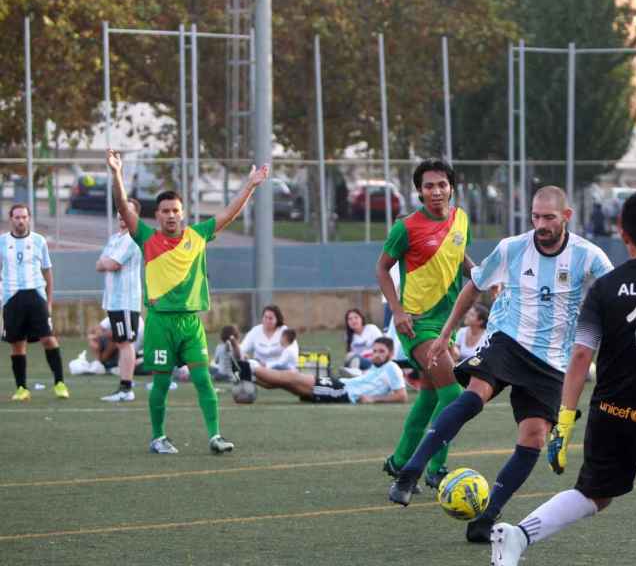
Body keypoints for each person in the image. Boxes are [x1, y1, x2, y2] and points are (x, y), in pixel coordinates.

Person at [489, 190, 636, 566]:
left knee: (594, 495)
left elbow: (581, 355)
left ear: (623, 234)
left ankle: (518, 536)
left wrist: (565, 420)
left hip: (610, 413)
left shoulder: (604, 289)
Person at [388, 185, 614, 544]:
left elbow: (614, 293)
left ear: (566, 217)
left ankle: (486, 518)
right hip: (508, 339)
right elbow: (473, 285)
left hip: (552, 360)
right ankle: (410, 472)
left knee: (534, 437)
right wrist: (447, 334)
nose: (540, 224)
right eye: (535, 217)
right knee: (474, 396)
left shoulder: (589, 256)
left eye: (549, 218)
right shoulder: (512, 248)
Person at [106, 149, 268, 454]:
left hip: (190, 323)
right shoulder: (146, 238)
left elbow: (228, 213)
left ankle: (215, 436)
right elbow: (124, 209)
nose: (170, 215)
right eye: (165, 211)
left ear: (183, 213)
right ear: (157, 216)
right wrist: (116, 173)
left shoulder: (198, 235)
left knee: (203, 379)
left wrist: (250, 185)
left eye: (175, 210)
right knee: (162, 383)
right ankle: (158, 437)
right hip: (160, 322)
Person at [375, 159, 474, 489]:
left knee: (430, 397)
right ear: (419, 191)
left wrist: (482, 276)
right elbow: (381, 269)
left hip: (448, 322)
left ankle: (400, 460)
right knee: (454, 397)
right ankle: (435, 469)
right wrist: (397, 311)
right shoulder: (406, 227)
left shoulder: (461, 220)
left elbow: (458, 259)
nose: (436, 191)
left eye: (441, 184)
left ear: (451, 187)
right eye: (428, 186)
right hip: (417, 325)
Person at [2, 203, 70, 401]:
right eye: (17, 217)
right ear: (11, 219)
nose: (21, 220)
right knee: (17, 344)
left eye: (24, 217)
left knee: (48, 339)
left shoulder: (39, 241)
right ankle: (22, 388)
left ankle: (60, 383)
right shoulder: (2, 242)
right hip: (11, 298)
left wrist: (48, 301)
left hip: (36, 296)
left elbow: (47, 271)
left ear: (29, 218)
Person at [252, 337, 406, 404]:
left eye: (381, 351)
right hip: (340, 385)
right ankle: (249, 376)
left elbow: (402, 396)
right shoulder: (377, 367)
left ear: (391, 354)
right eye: (375, 351)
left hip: (342, 392)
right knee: (287, 383)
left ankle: (250, 367)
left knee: (291, 377)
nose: (377, 355)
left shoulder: (392, 367)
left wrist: (373, 400)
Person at [95, 198, 145, 402]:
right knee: (121, 342)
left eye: (127, 211)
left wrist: (108, 262)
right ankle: (124, 387)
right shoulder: (115, 238)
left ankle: (126, 388)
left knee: (125, 343)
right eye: (120, 211)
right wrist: (107, 262)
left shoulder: (133, 238)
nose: (122, 215)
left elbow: (113, 263)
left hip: (126, 300)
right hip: (113, 300)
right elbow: (99, 264)